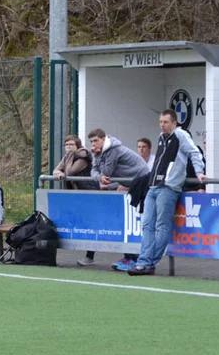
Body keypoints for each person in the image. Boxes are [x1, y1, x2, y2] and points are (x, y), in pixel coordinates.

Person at [129, 110, 205, 276]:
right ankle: (145, 262)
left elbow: (194, 152)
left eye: (165, 122)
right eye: (161, 122)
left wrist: (199, 172)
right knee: (147, 225)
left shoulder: (181, 135)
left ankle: (147, 263)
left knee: (161, 226)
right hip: (153, 186)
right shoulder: (161, 137)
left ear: (174, 123)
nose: (162, 125)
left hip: (169, 187)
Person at [79, 128, 149, 270]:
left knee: (132, 224)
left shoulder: (113, 150)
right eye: (91, 141)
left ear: (104, 139)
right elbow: (94, 171)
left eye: (96, 141)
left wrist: (99, 171)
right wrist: (99, 175)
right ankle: (129, 257)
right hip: (128, 184)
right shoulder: (101, 152)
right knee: (124, 223)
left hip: (141, 182)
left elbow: (106, 172)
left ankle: (135, 259)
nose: (93, 144)